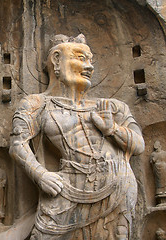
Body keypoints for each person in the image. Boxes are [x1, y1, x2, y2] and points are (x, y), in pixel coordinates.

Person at [9, 34, 144, 240]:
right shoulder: (38, 104)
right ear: (56, 60)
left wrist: (112, 128)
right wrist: (40, 174)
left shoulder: (112, 106)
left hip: (117, 184)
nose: (89, 66)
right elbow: (18, 144)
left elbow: (139, 145)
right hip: (66, 187)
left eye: (90, 60)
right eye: (81, 58)